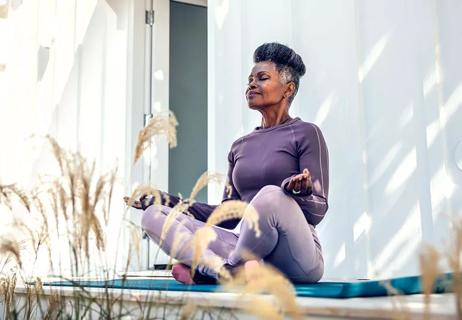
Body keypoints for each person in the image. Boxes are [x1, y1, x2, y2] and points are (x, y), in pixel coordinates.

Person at [124, 42, 329, 284]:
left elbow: (318, 210)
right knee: (154, 215)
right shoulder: (240, 146)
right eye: (250, 80)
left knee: (271, 195)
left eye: (262, 78)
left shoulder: (306, 133)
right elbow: (228, 215)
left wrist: (302, 193)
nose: (252, 84)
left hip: (297, 257)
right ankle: (221, 269)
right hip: (249, 252)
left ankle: (225, 270)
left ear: (288, 88)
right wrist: (165, 200)